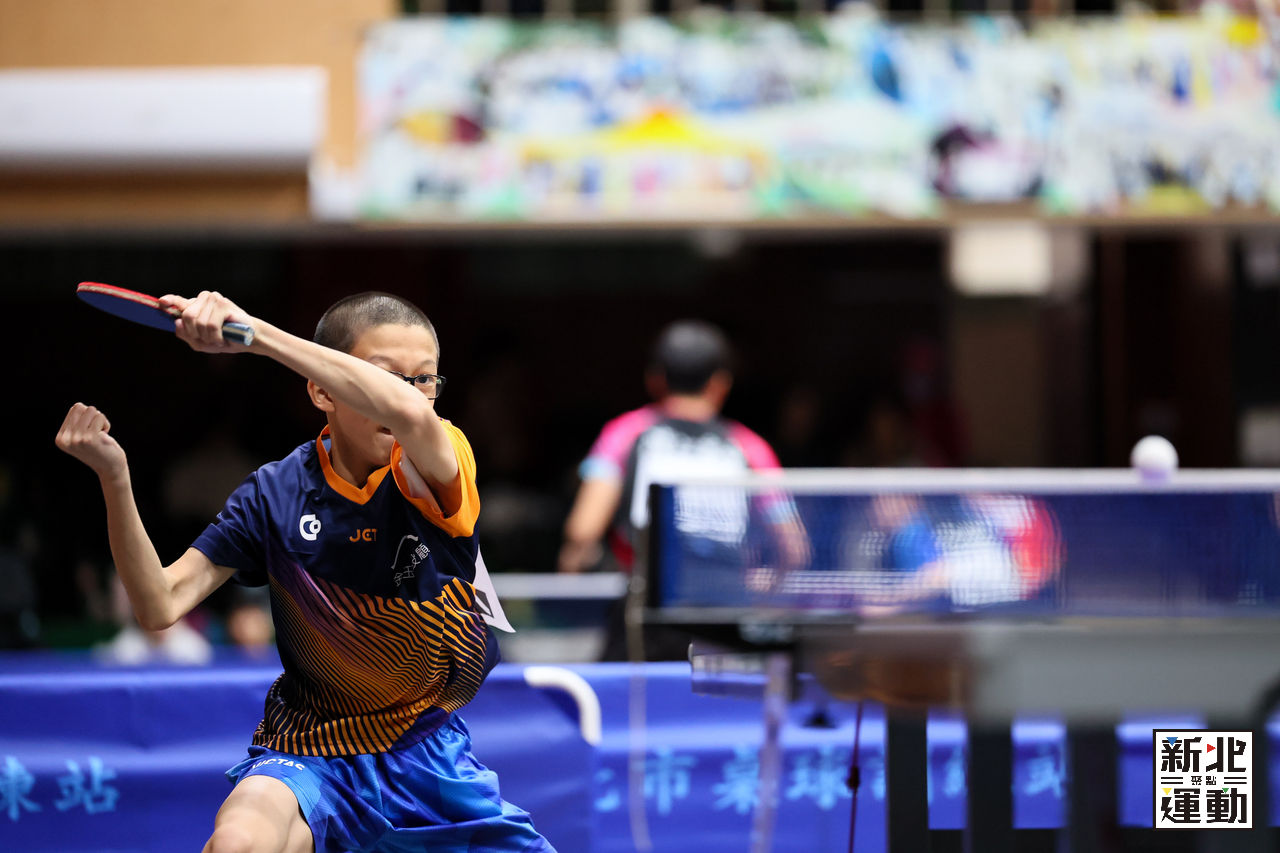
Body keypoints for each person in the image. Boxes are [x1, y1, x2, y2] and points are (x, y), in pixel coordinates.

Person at [56, 290, 552, 853]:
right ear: (322, 390)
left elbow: (410, 413)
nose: (410, 394)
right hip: (309, 749)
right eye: (385, 375)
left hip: (428, 752)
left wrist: (253, 333)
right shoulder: (275, 494)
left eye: (424, 379)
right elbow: (159, 603)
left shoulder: (440, 460)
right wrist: (115, 479)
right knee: (239, 841)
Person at [559, 320, 802, 660]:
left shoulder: (624, 434)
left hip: (644, 618)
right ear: (720, 384)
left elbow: (583, 531)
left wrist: (568, 586)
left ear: (655, 379)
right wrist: (762, 584)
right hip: (725, 621)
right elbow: (793, 549)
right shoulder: (750, 447)